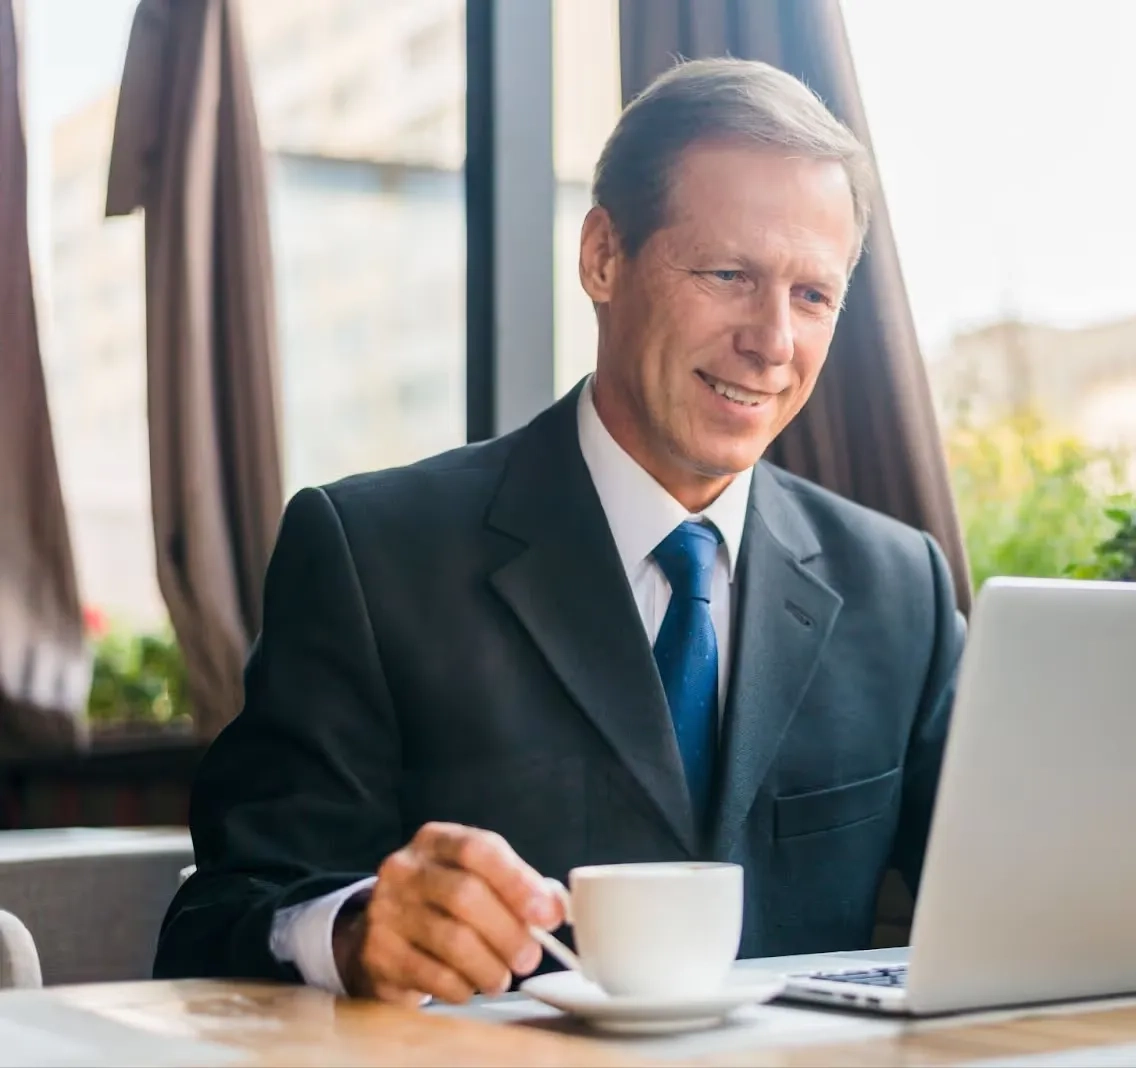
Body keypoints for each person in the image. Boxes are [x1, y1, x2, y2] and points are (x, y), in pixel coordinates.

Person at [153, 56, 964, 1006]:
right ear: (602, 257)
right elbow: (213, 925)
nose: (773, 342)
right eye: (729, 274)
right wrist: (355, 929)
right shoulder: (369, 555)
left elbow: (1019, 896)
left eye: (813, 296)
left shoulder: (899, 588)